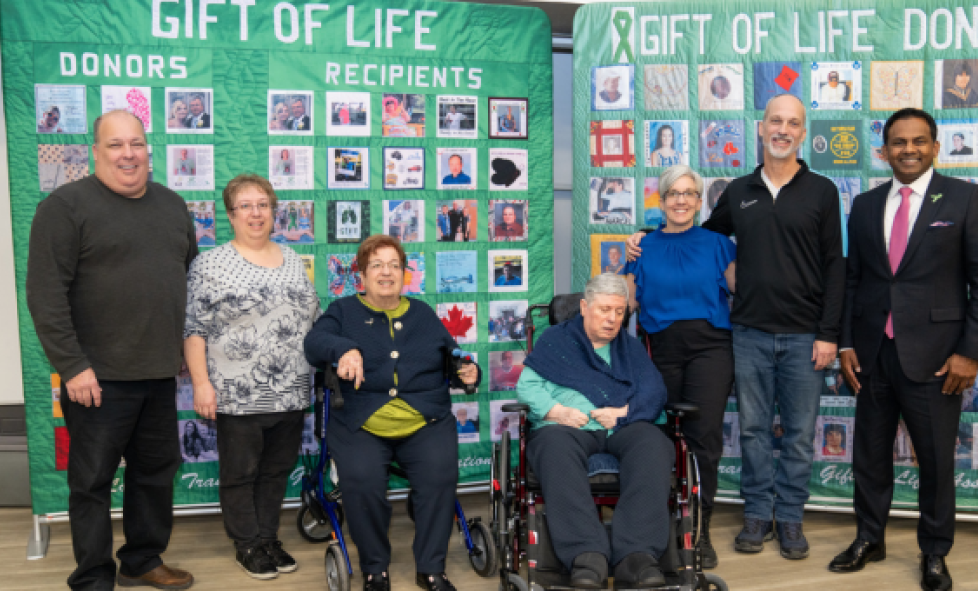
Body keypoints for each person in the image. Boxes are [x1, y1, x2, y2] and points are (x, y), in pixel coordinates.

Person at [627, 93, 844, 560]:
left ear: (803, 133)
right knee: (752, 432)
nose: (783, 129)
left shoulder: (822, 191)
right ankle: (755, 516)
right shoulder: (739, 192)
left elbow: (834, 266)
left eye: (793, 123)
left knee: (801, 433)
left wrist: (829, 333)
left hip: (807, 334)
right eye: (775, 121)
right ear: (761, 129)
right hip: (745, 332)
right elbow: (694, 232)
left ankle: (788, 520)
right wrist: (644, 236)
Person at [831, 108, 978, 591]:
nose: (909, 149)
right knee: (868, 455)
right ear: (883, 150)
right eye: (898, 142)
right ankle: (870, 537)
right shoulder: (864, 206)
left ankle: (934, 551)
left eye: (919, 141)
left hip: (936, 358)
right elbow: (854, 281)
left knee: (934, 460)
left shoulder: (967, 198)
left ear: (935, 147)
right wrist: (846, 340)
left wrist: (970, 353)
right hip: (871, 355)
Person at [26, 110, 197, 590]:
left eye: (137, 144)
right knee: (92, 483)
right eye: (116, 145)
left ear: (148, 149)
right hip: (96, 379)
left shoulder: (172, 205)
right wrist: (73, 367)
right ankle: (93, 577)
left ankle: (142, 559)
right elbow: (45, 295)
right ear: (96, 152)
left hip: (161, 373)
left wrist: (183, 349)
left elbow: (184, 276)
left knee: (155, 475)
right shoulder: (64, 207)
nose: (128, 154)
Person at [304, 234, 480, 591]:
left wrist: (469, 371)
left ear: (405, 274)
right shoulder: (343, 311)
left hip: (424, 420)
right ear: (362, 276)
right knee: (363, 481)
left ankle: (431, 568)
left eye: (394, 265)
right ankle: (374, 568)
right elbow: (314, 343)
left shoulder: (422, 313)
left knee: (438, 478)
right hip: (361, 421)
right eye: (377, 265)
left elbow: (454, 354)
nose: (387, 273)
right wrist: (344, 350)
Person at [183, 173, 318, 580]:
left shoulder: (293, 259)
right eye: (246, 206)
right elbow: (193, 329)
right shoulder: (210, 263)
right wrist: (202, 383)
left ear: (274, 212)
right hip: (237, 393)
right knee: (241, 473)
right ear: (230, 215)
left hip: (292, 390)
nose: (256, 213)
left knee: (276, 471)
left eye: (263, 204)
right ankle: (246, 544)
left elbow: (310, 318)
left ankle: (267, 537)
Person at [517, 274, 673, 589]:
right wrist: (556, 411)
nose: (612, 318)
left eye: (619, 311)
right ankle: (586, 555)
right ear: (585, 307)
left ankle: (636, 556)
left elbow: (654, 391)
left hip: (620, 427)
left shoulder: (630, 348)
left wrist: (624, 413)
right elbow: (527, 387)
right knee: (553, 447)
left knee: (653, 443)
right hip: (567, 427)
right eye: (604, 309)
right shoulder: (556, 340)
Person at [621, 164, 737, 569]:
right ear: (662, 200)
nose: (682, 200)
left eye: (690, 193)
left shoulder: (719, 244)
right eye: (674, 193)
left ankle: (701, 529)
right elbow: (626, 304)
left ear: (699, 199)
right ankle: (667, 523)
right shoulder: (643, 247)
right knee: (663, 436)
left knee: (704, 437)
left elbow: (748, 290)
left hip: (712, 349)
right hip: (661, 349)